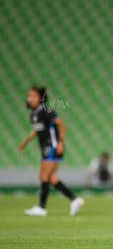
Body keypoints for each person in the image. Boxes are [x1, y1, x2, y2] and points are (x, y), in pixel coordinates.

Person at [18, 86, 84, 216]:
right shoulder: (33, 114)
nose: (30, 98)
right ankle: (75, 200)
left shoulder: (46, 111)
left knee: (43, 176)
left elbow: (62, 125)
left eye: (34, 95)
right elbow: (36, 131)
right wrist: (25, 142)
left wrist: (60, 142)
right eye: (29, 95)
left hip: (52, 146)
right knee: (52, 179)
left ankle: (41, 208)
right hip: (45, 147)